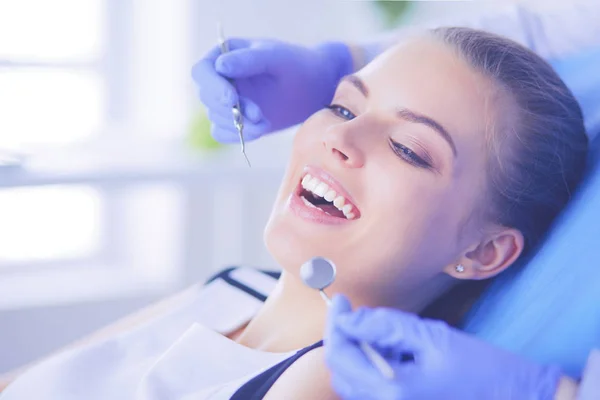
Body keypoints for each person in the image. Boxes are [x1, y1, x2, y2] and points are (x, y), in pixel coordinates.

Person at [1, 23, 589, 399]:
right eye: (341, 106)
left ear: (482, 252)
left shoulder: (328, 379)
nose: (342, 138)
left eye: (409, 149)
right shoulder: (229, 287)